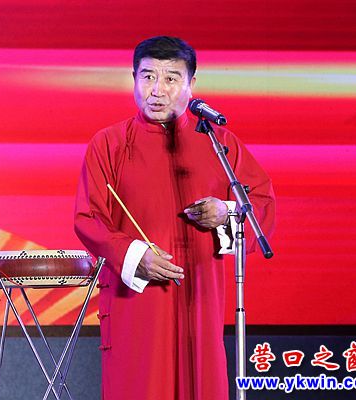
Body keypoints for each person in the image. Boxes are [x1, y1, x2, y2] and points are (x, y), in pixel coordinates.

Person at [74, 36, 275, 400]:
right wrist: (134, 255)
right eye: (148, 77)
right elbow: (88, 218)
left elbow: (260, 205)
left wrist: (225, 212)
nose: (158, 90)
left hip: (201, 299)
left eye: (171, 78)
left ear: (191, 84)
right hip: (135, 303)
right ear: (133, 79)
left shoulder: (219, 143)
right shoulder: (109, 144)